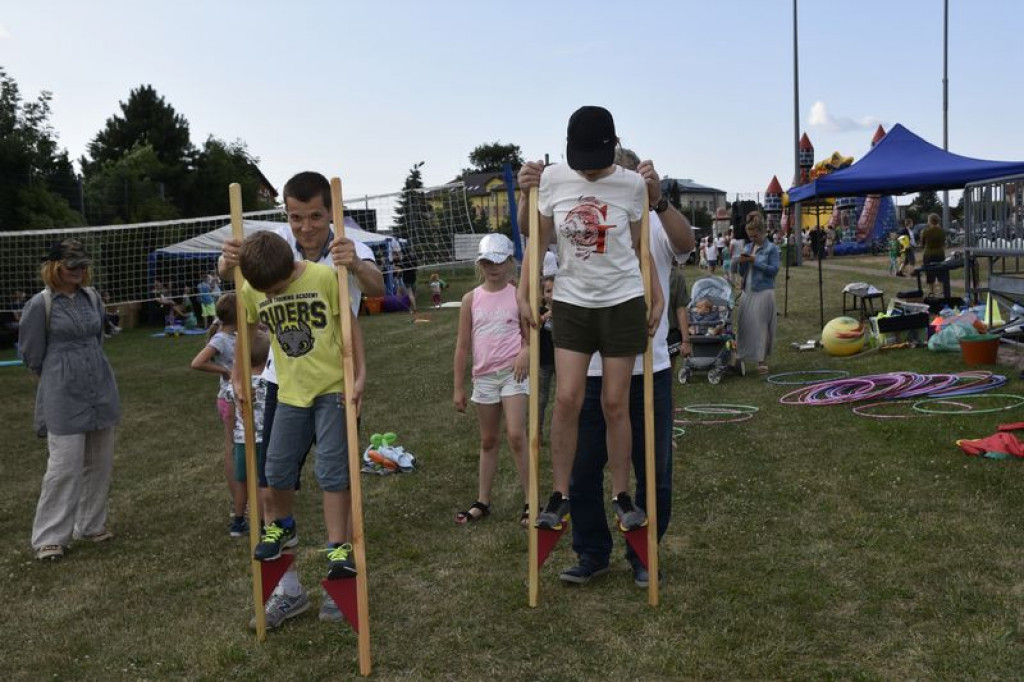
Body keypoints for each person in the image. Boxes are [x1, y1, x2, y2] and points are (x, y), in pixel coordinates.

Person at [518, 146, 694, 585]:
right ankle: (592, 551)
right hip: (591, 366)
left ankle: (643, 555)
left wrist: (660, 199)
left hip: (648, 366)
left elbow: (686, 243)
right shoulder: (575, 205)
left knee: (654, 470)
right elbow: (535, 235)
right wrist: (527, 193)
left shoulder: (649, 215)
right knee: (581, 468)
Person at [219, 171, 381, 628]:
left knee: (335, 473)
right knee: (273, 480)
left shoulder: (347, 245)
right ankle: (288, 592)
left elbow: (376, 288)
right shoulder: (274, 250)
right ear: (285, 215)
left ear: (332, 213)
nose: (306, 227)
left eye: (314, 216)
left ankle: (340, 576)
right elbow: (239, 287)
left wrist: (357, 265)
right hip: (279, 381)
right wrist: (225, 260)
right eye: (295, 217)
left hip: (334, 379)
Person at [515, 107, 664, 533]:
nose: (590, 171)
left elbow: (641, 247)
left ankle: (622, 495)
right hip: (573, 302)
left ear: (613, 148)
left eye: (597, 163)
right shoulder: (554, 180)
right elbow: (537, 237)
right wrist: (525, 289)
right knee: (567, 399)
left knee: (615, 402)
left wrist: (655, 294)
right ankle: (559, 494)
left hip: (621, 302)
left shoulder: (633, 185)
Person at [233, 230, 361, 629]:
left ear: (290, 267)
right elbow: (247, 329)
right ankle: (283, 525)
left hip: (331, 390)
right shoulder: (252, 289)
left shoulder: (324, 277)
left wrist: (359, 375)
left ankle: (338, 548)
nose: (270, 296)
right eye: (265, 293)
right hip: (288, 392)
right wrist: (239, 377)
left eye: (277, 289)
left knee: (332, 472)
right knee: (275, 471)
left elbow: (350, 326)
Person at [19, 239, 121, 561]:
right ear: (55, 267)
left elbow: (98, 338)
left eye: (82, 264)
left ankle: (91, 524)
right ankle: (50, 537)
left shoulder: (92, 298)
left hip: (99, 388)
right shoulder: (41, 304)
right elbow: (31, 354)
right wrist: (58, 375)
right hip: (63, 393)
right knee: (64, 466)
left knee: (100, 461)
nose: (78, 270)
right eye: (71, 264)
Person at [452, 233, 529, 526]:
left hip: (513, 374)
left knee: (517, 436)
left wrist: (527, 350)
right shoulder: (470, 299)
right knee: (488, 440)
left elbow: (530, 333)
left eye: (499, 261)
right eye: (486, 262)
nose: (493, 267)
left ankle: (530, 500)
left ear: (510, 262)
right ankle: (483, 501)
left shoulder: (518, 295)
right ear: (479, 264)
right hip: (483, 377)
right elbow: (462, 345)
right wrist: (458, 386)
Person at [190, 293, 245, 537]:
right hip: (229, 400)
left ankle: (244, 500)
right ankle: (238, 505)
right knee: (233, 449)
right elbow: (197, 362)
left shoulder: (235, 335)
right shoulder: (222, 339)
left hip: (238, 398)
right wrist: (224, 370)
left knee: (241, 447)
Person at [232, 327, 271, 525]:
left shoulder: (238, 382)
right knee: (261, 483)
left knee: (242, 481)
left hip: (241, 439)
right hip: (262, 440)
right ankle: (263, 523)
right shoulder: (269, 382)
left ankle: (238, 520)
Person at [735, 211, 780, 375]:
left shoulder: (772, 249)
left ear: (762, 232)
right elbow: (742, 272)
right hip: (747, 292)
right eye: (750, 236)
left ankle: (761, 361)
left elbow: (774, 271)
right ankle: (740, 358)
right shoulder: (748, 247)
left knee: (761, 327)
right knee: (744, 325)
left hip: (764, 292)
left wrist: (756, 261)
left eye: (755, 236)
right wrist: (742, 263)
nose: (752, 239)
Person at [537, 275, 557, 440]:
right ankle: (538, 431)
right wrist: (546, 316)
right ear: (543, 295)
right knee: (541, 398)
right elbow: (535, 324)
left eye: (556, 290)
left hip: (562, 362)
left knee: (562, 398)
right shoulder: (541, 311)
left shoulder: (566, 311)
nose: (552, 294)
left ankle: (560, 431)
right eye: (548, 291)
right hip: (544, 361)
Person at [666, 262, 691, 369]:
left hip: (669, 334)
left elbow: (681, 309)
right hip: (641, 335)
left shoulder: (675, 276)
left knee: (665, 377)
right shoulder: (635, 271)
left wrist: (685, 341)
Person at [920, 213, 946, 296]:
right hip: (940, 254)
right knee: (941, 273)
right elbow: (943, 242)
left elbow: (922, 244)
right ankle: (943, 290)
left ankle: (932, 291)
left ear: (930, 221)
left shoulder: (925, 232)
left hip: (929, 255)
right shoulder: (942, 231)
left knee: (930, 274)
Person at [394, 247, 419, 314]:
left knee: (410, 294)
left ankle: (414, 309)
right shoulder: (413, 259)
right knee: (413, 294)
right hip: (413, 277)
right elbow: (416, 268)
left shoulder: (403, 260)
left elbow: (400, 269)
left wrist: (397, 275)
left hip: (406, 278)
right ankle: (412, 307)